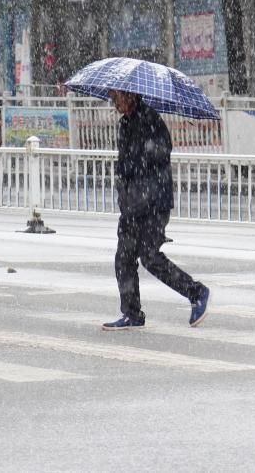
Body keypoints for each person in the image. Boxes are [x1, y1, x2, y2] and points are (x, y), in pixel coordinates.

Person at [102, 89, 210, 330]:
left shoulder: (150, 120)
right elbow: (125, 164)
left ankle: (197, 292)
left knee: (150, 257)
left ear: (129, 95)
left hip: (153, 203)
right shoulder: (126, 124)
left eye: (116, 97)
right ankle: (132, 314)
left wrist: (137, 160)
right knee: (124, 258)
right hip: (132, 204)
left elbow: (161, 153)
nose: (114, 102)